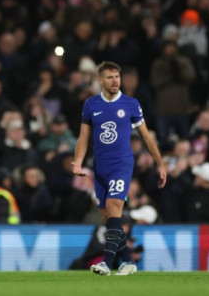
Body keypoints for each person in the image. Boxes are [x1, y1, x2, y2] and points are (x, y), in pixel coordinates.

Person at [72, 61, 167, 276]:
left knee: (115, 207)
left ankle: (107, 262)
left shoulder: (131, 104)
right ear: (100, 80)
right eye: (110, 77)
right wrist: (78, 162)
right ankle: (128, 261)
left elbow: (146, 136)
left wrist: (160, 163)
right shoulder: (91, 105)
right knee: (108, 217)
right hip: (100, 167)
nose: (115, 81)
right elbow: (83, 138)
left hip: (122, 164)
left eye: (117, 76)